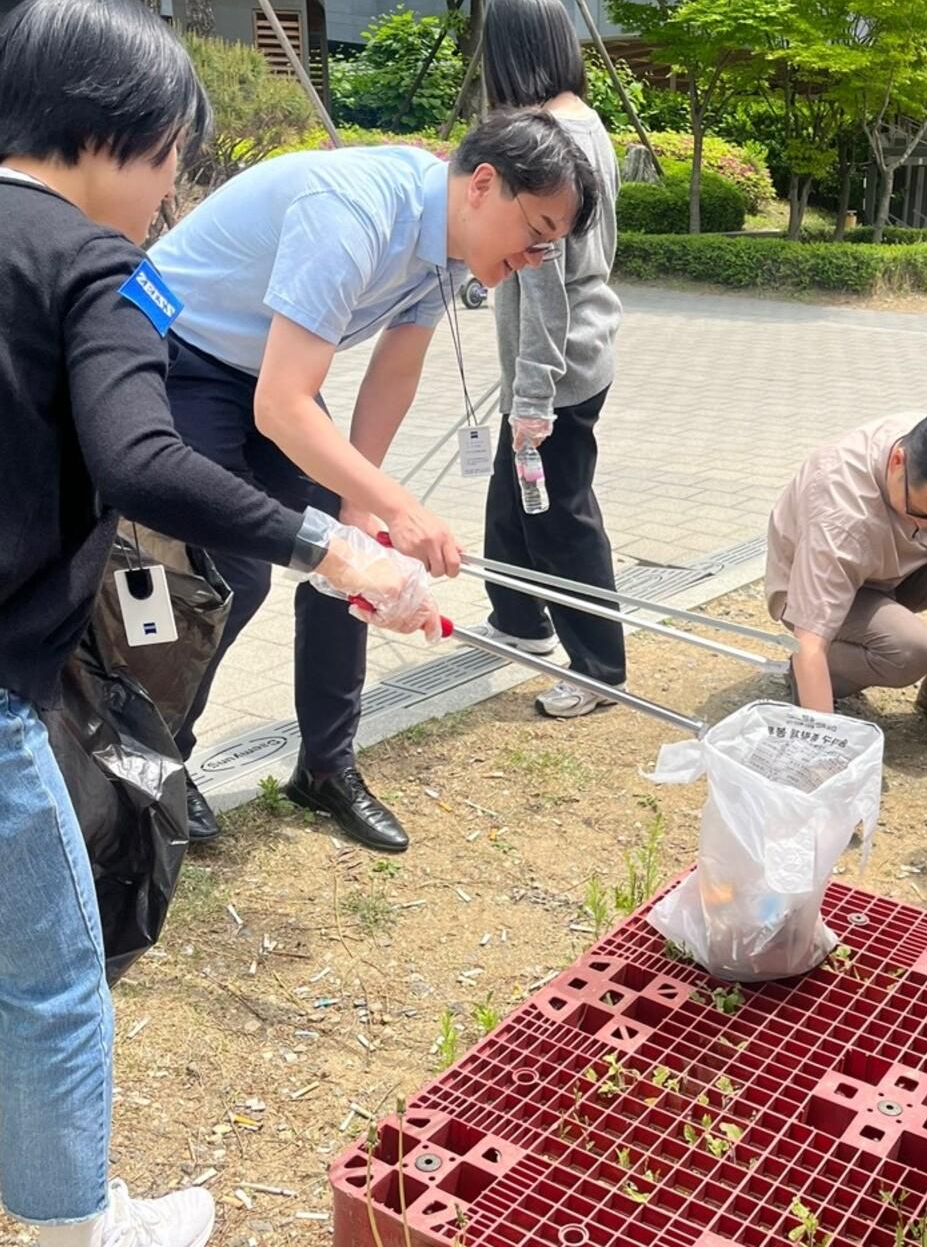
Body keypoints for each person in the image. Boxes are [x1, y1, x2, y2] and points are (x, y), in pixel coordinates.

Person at [0, 0, 438, 1247]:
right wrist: (332, 544)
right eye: (171, 161)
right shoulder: (98, 267)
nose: (169, 198)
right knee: (52, 975)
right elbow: (140, 457)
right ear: (116, 137)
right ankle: (84, 1226)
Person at [148, 110, 600, 848]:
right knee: (230, 575)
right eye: (538, 230)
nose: (537, 256)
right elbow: (283, 406)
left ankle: (326, 769)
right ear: (484, 184)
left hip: (262, 369)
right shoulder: (353, 209)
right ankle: (161, 764)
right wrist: (403, 507)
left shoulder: (447, 243)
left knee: (363, 564)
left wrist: (365, 512)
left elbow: (395, 373)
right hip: (181, 352)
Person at [469, 0, 627, 717]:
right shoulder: (584, 121)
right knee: (515, 492)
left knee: (558, 510)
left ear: (504, 52)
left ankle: (600, 667)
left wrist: (532, 394)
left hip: (556, 360)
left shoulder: (540, 139)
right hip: (579, 346)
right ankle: (519, 619)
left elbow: (546, 283)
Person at [765, 412, 927, 751]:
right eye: (919, 509)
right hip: (821, 592)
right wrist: (822, 748)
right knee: (912, 652)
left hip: (899, 566)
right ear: (897, 461)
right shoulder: (838, 512)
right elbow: (810, 641)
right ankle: (819, 675)